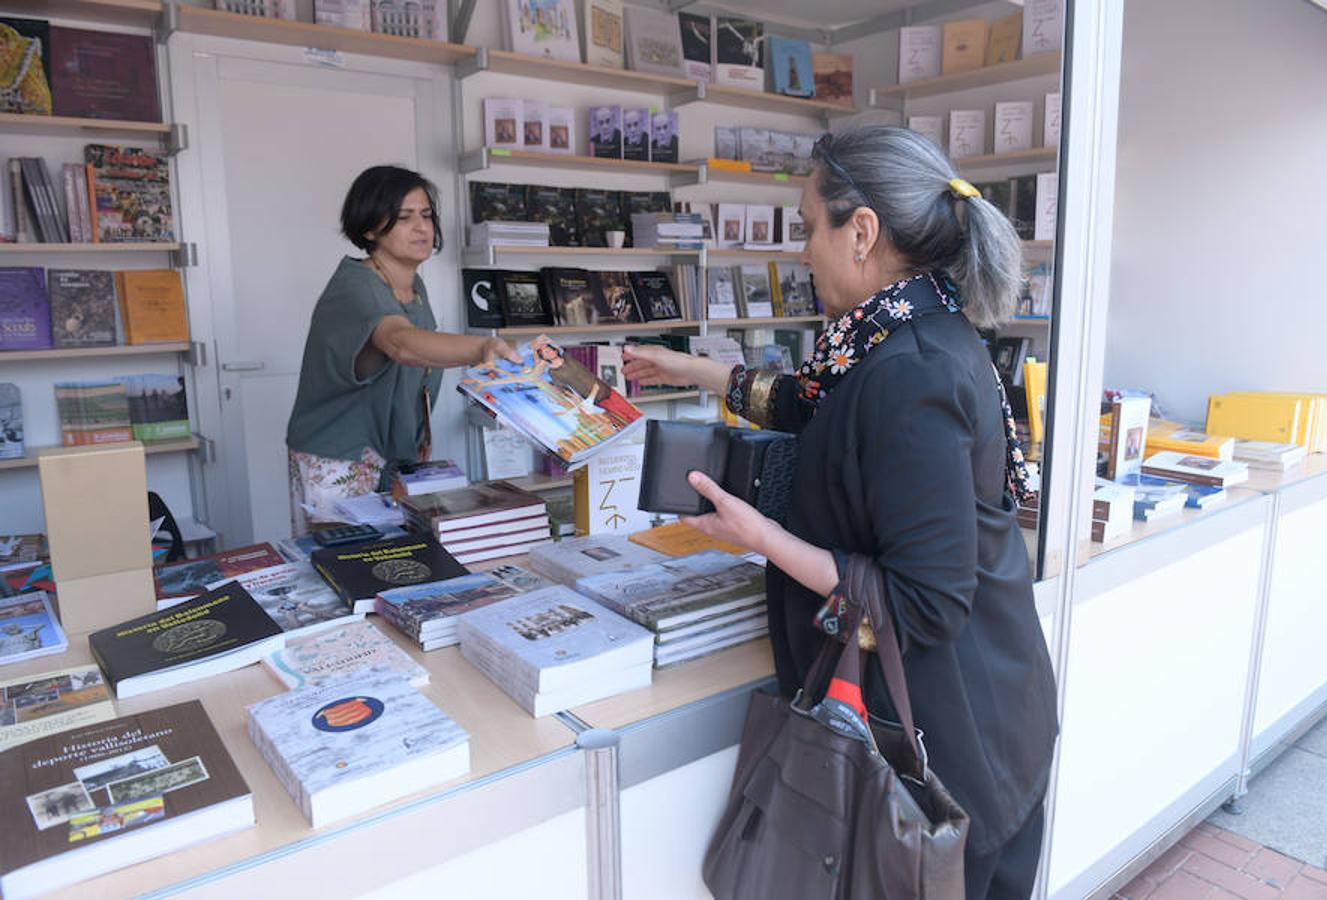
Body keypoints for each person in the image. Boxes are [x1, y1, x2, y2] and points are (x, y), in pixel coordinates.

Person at [622, 125, 1058, 899]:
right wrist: (685, 365)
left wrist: (764, 538)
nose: (799, 253)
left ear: (861, 233)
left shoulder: (908, 372)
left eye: (805, 227)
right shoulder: (901, 330)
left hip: (954, 757)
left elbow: (924, 602)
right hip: (982, 718)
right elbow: (809, 402)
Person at [286, 165, 517, 534]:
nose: (422, 228)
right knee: (346, 568)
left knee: (394, 563)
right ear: (370, 227)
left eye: (426, 215)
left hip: (394, 455)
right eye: (405, 218)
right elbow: (401, 343)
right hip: (342, 456)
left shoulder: (413, 286)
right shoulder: (356, 287)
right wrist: (483, 346)